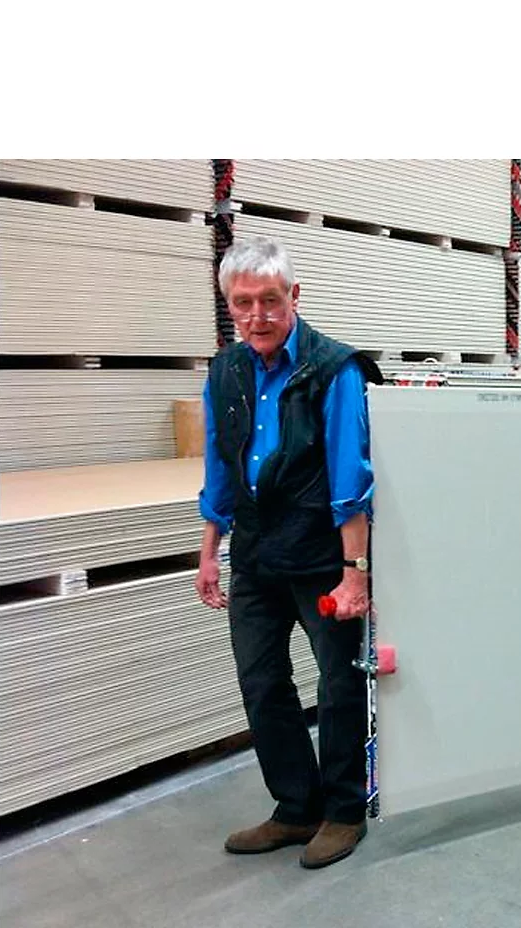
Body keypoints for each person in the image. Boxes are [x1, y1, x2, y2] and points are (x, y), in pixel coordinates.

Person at [195, 235, 384, 867]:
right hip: (255, 556)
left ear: (293, 296)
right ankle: (294, 809)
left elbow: (351, 475)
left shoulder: (334, 369)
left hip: (320, 558)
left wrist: (354, 572)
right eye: (242, 303)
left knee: (337, 684)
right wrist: (209, 548)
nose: (256, 316)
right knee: (262, 683)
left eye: (269, 300)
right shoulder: (225, 371)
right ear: (229, 304)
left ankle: (342, 810)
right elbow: (221, 467)